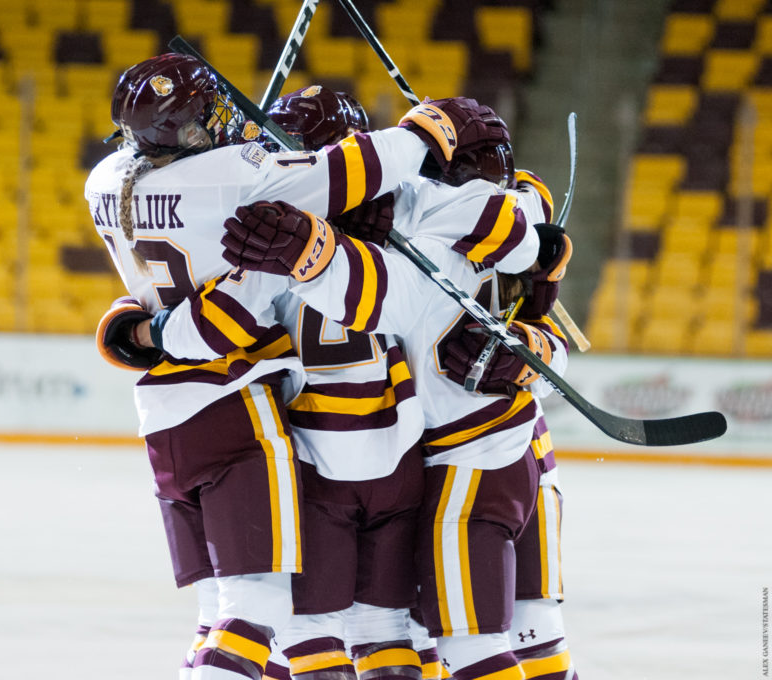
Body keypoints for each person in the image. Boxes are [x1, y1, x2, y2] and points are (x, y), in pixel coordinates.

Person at [137, 94, 562, 680]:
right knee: (414, 632)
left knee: (307, 631)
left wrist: (145, 327)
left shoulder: (256, 233)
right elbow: (518, 220)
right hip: (421, 457)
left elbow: (208, 315)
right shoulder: (422, 210)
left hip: (345, 463)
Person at [89, 52, 473, 680]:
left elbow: (178, 291)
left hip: (177, 418)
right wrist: (430, 130)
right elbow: (359, 171)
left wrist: (142, 329)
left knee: (238, 618)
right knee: (300, 615)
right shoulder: (269, 192)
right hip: (274, 420)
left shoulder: (107, 181)